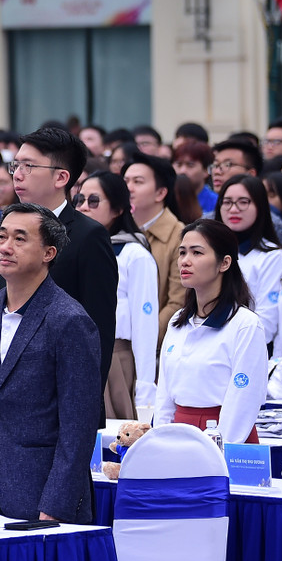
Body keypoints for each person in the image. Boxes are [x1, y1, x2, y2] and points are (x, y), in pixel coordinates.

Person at [0, 203, 101, 522]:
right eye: (2, 236)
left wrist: (54, 506)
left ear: (49, 253)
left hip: (40, 496)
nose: (6, 247)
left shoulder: (69, 320)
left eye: (20, 239)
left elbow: (78, 430)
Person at [8, 127, 118, 426]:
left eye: (28, 166)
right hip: (9, 399)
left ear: (61, 177)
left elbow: (99, 330)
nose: (18, 174)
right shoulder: (9, 228)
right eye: (15, 165)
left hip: (61, 401)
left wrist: (80, 405)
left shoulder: (88, 236)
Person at [155, 219, 266, 444]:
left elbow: (243, 399)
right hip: (178, 431)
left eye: (197, 253)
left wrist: (218, 448)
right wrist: (160, 438)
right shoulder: (178, 320)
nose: (185, 261)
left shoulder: (245, 324)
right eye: (182, 252)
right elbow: (164, 393)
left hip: (224, 434)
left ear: (224, 263)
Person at [75, 172, 160, 419]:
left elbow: (145, 324)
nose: (83, 207)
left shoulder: (133, 254)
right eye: (79, 200)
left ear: (117, 209)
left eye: (94, 201)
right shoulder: (73, 247)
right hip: (76, 356)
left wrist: (145, 386)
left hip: (115, 360)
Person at [125, 154, 187, 347]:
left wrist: (142, 339)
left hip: (152, 347)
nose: (128, 188)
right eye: (125, 181)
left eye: (138, 182)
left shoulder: (180, 237)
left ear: (160, 193)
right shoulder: (112, 230)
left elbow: (177, 303)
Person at [215, 175, 282, 345]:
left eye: (243, 202)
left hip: (244, 348)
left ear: (260, 206)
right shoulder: (208, 252)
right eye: (227, 202)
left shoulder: (272, 257)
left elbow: (265, 325)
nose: (233, 209)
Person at [173, 141, 218, 215]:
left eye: (190, 165)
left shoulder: (215, 203)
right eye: (179, 164)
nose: (182, 171)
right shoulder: (164, 200)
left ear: (206, 170)